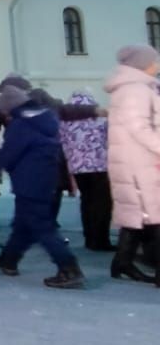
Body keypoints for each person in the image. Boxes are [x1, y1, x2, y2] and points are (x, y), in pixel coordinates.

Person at [0, 87, 84, 288]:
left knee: (41, 226)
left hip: (28, 182)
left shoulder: (21, 125)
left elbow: (9, 155)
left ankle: (68, 267)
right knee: (23, 224)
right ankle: (9, 259)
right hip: (46, 179)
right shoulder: (45, 117)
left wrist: (1, 163)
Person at [105, 44, 160, 285]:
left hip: (135, 160)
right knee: (154, 217)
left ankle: (122, 263)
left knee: (139, 215)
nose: (157, 65)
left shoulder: (132, 88)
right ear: (142, 64)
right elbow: (139, 127)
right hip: (140, 162)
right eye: (154, 61)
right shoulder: (137, 90)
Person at [58, 93, 113, 252]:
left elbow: (62, 144)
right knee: (102, 204)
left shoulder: (64, 123)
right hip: (99, 167)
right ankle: (101, 240)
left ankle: (89, 237)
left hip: (77, 168)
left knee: (86, 201)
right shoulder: (101, 121)